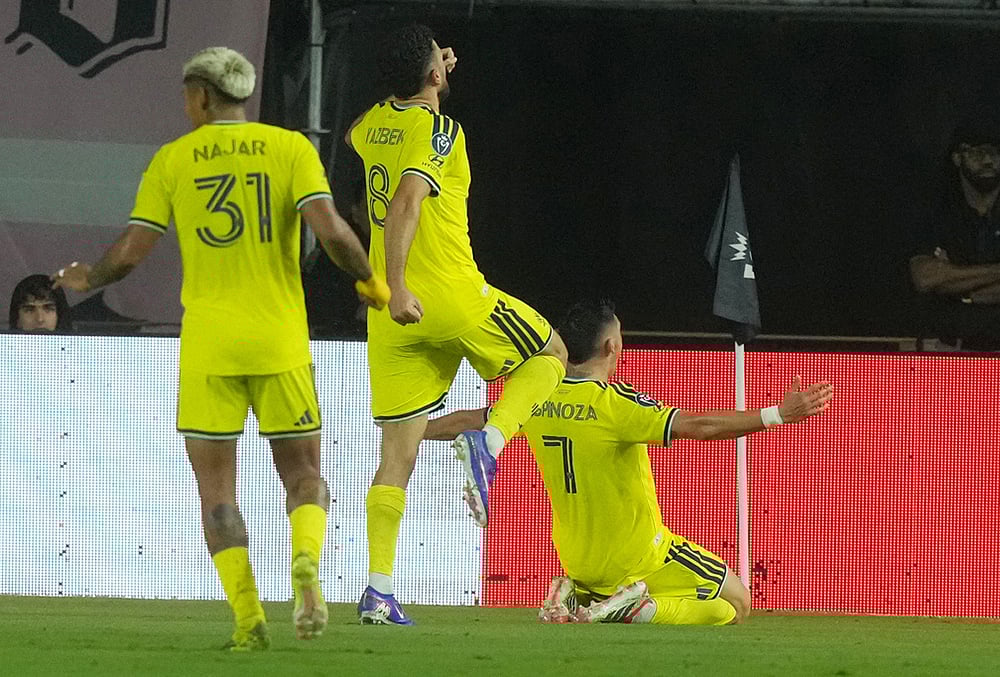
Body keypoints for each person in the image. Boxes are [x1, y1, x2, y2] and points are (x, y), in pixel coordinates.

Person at [53, 47, 390, 650]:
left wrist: (89, 277)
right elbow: (334, 231)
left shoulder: (174, 160)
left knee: (217, 497)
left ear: (203, 96)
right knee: (306, 475)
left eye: (187, 95)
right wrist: (368, 279)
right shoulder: (290, 149)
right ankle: (305, 559)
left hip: (209, 348)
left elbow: (129, 254)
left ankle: (247, 619)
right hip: (278, 339)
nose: (185, 106)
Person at [345, 24, 568, 625]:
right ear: (438, 76)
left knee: (398, 453)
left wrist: (419, 72)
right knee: (552, 351)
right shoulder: (441, 129)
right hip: (442, 295)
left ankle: (379, 589)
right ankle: (489, 442)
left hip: (392, 325)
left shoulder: (372, 127)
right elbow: (408, 201)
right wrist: (398, 286)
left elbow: (358, 131)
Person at [425, 300, 834, 626]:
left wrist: (414, 430)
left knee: (609, 579)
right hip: (639, 556)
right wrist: (779, 414)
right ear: (611, 348)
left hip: (577, 557)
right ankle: (642, 609)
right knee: (737, 602)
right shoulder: (614, 402)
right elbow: (699, 426)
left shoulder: (532, 399)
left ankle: (576, 592)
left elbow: (469, 421)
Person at [909, 120, 1000, 350]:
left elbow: (941, 280)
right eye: (978, 152)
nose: (988, 160)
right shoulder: (937, 212)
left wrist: (958, 283)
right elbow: (926, 278)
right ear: (957, 157)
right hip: (949, 348)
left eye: (995, 152)